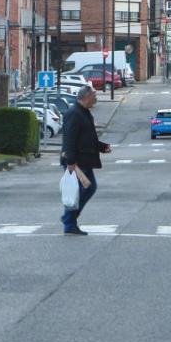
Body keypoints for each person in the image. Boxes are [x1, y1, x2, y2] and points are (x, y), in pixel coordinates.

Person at [59, 84, 110, 234]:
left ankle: (69, 220)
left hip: (83, 159)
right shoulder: (74, 113)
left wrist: (102, 147)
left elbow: (87, 138)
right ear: (87, 97)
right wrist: (70, 161)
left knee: (85, 189)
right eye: (94, 95)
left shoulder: (84, 112)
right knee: (85, 189)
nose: (96, 98)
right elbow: (69, 139)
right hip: (76, 162)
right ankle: (69, 219)